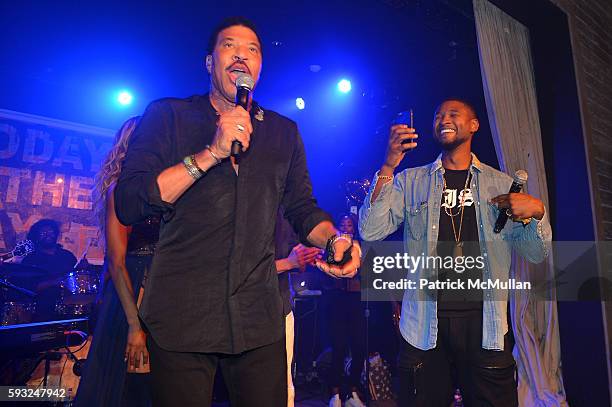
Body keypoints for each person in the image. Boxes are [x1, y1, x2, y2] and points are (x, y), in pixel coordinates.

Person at [113, 16, 361, 407]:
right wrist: (211, 153)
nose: (242, 57)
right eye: (230, 46)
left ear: (259, 67)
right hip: (181, 314)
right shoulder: (168, 116)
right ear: (209, 62)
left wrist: (334, 240)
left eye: (253, 50)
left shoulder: (283, 132)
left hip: (257, 319)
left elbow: (302, 208)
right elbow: (129, 202)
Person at [359, 98, 552, 407]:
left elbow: (535, 253)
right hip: (423, 325)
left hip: (485, 324)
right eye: (438, 115)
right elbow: (370, 230)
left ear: (474, 125)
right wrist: (389, 164)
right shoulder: (411, 181)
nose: (443, 118)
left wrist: (536, 213)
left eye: (453, 113)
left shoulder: (500, 185)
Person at [75, 117, 155, 407]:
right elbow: (117, 262)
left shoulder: (163, 189)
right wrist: (134, 325)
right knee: (132, 388)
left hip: (162, 297)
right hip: (132, 297)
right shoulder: (119, 190)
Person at [274, 209, 321, 407]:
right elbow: (241, 269)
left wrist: (308, 255)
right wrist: (289, 262)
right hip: (244, 312)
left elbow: (297, 258)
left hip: (281, 307)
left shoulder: (284, 212)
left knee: (285, 383)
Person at [323, 214, 366, 407]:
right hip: (337, 301)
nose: (346, 227)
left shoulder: (361, 247)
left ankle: (353, 392)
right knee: (338, 348)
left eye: (349, 225)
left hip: (356, 301)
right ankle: (335, 393)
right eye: (343, 224)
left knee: (358, 348)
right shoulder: (334, 247)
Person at [21, 219, 77, 320]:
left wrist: (83, 268)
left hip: (69, 309)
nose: (48, 234)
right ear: (36, 236)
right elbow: (26, 289)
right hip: (41, 311)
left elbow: (76, 281)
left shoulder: (68, 256)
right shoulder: (30, 260)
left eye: (51, 231)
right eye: (43, 232)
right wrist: (54, 282)